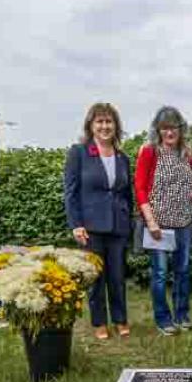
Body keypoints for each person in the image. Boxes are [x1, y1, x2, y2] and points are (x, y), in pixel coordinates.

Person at [64, 102, 132, 340]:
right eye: (100, 122)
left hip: (118, 227)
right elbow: (70, 192)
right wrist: (76, 224)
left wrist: (129, 223)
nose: (105, 126)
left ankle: (121, 319)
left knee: (117, 277)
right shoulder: (79, 153)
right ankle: (99, 322)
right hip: (91, 228)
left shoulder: (123, 158)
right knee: (96, 278)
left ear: (116, 126)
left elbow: (127, 194)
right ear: (91, 126)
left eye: (109, 121)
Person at [134, 106, 192, 336]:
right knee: (159, 274)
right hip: (158, 224)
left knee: (183, 271)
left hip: (184, 223)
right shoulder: (150, 152)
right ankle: (163, 318)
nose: (170, 132)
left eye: (174, 128)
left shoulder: (189, 154)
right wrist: (150, 221)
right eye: (165, 128)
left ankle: (182, 314)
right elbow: (139, 187)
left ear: (181, 129)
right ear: (158, 131)